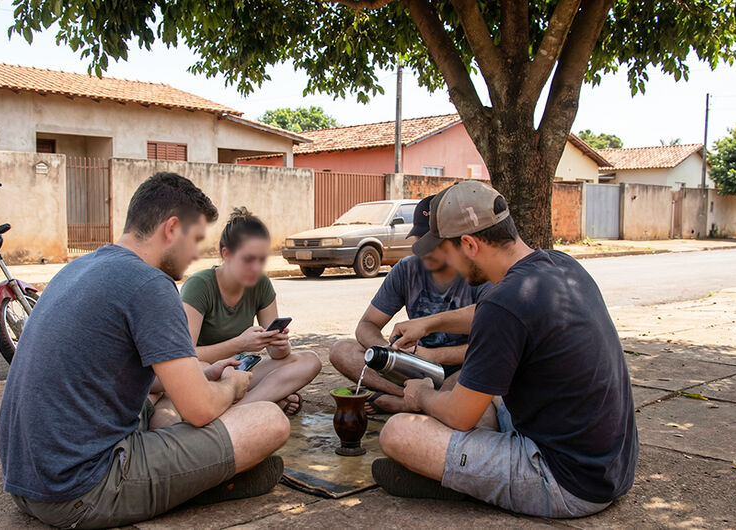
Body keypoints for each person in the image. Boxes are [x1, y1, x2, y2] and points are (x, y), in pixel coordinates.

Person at [0, 173, 291, 529]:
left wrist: (205, 373)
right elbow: (199, 410)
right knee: (268, 421)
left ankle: (191, 479)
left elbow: (127, 375)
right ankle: (197, 484)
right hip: (81, 490)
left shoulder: (78, 268)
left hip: (25, 482)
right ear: (171, 229)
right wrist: (231, 384)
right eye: (195, 240)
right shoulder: (150, 284)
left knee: (162, 403)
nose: (196, 254)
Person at [370, 181, 638, 518]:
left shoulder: (504, 302)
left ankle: (463, 483)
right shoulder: (560, 266)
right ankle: (464, 475)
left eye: (447, 252)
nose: (447, 264)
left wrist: (420, 394)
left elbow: (459, 416)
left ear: (469, 244)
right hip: (611, 467)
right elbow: (494, 315)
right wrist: (429, 323)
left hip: (565, 481)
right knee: (480, 392)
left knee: (399, 433)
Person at [328, 195, 488, 414]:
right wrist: (390, 354)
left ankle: (419, 401)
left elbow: (490, 339)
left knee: (484, 366)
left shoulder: (478, 272)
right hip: (413, 368)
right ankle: (408, 397)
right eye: (420, 241)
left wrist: (432, 354)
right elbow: (367, 325)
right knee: (342, 351)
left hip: (458, 370)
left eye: (434, 243)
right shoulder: (406, 269)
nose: (424, 251)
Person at [178, 207, 321, 417]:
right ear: (226, 254)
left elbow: (278, 355)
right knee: (206, 370)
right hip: (206, 372)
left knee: (310, 360)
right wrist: (239, 344)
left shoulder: (260, 284)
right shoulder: (199, 286)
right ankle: (268, 399)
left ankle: (237, 408)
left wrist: (280, 344)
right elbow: (184, 356)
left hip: (241, 372)